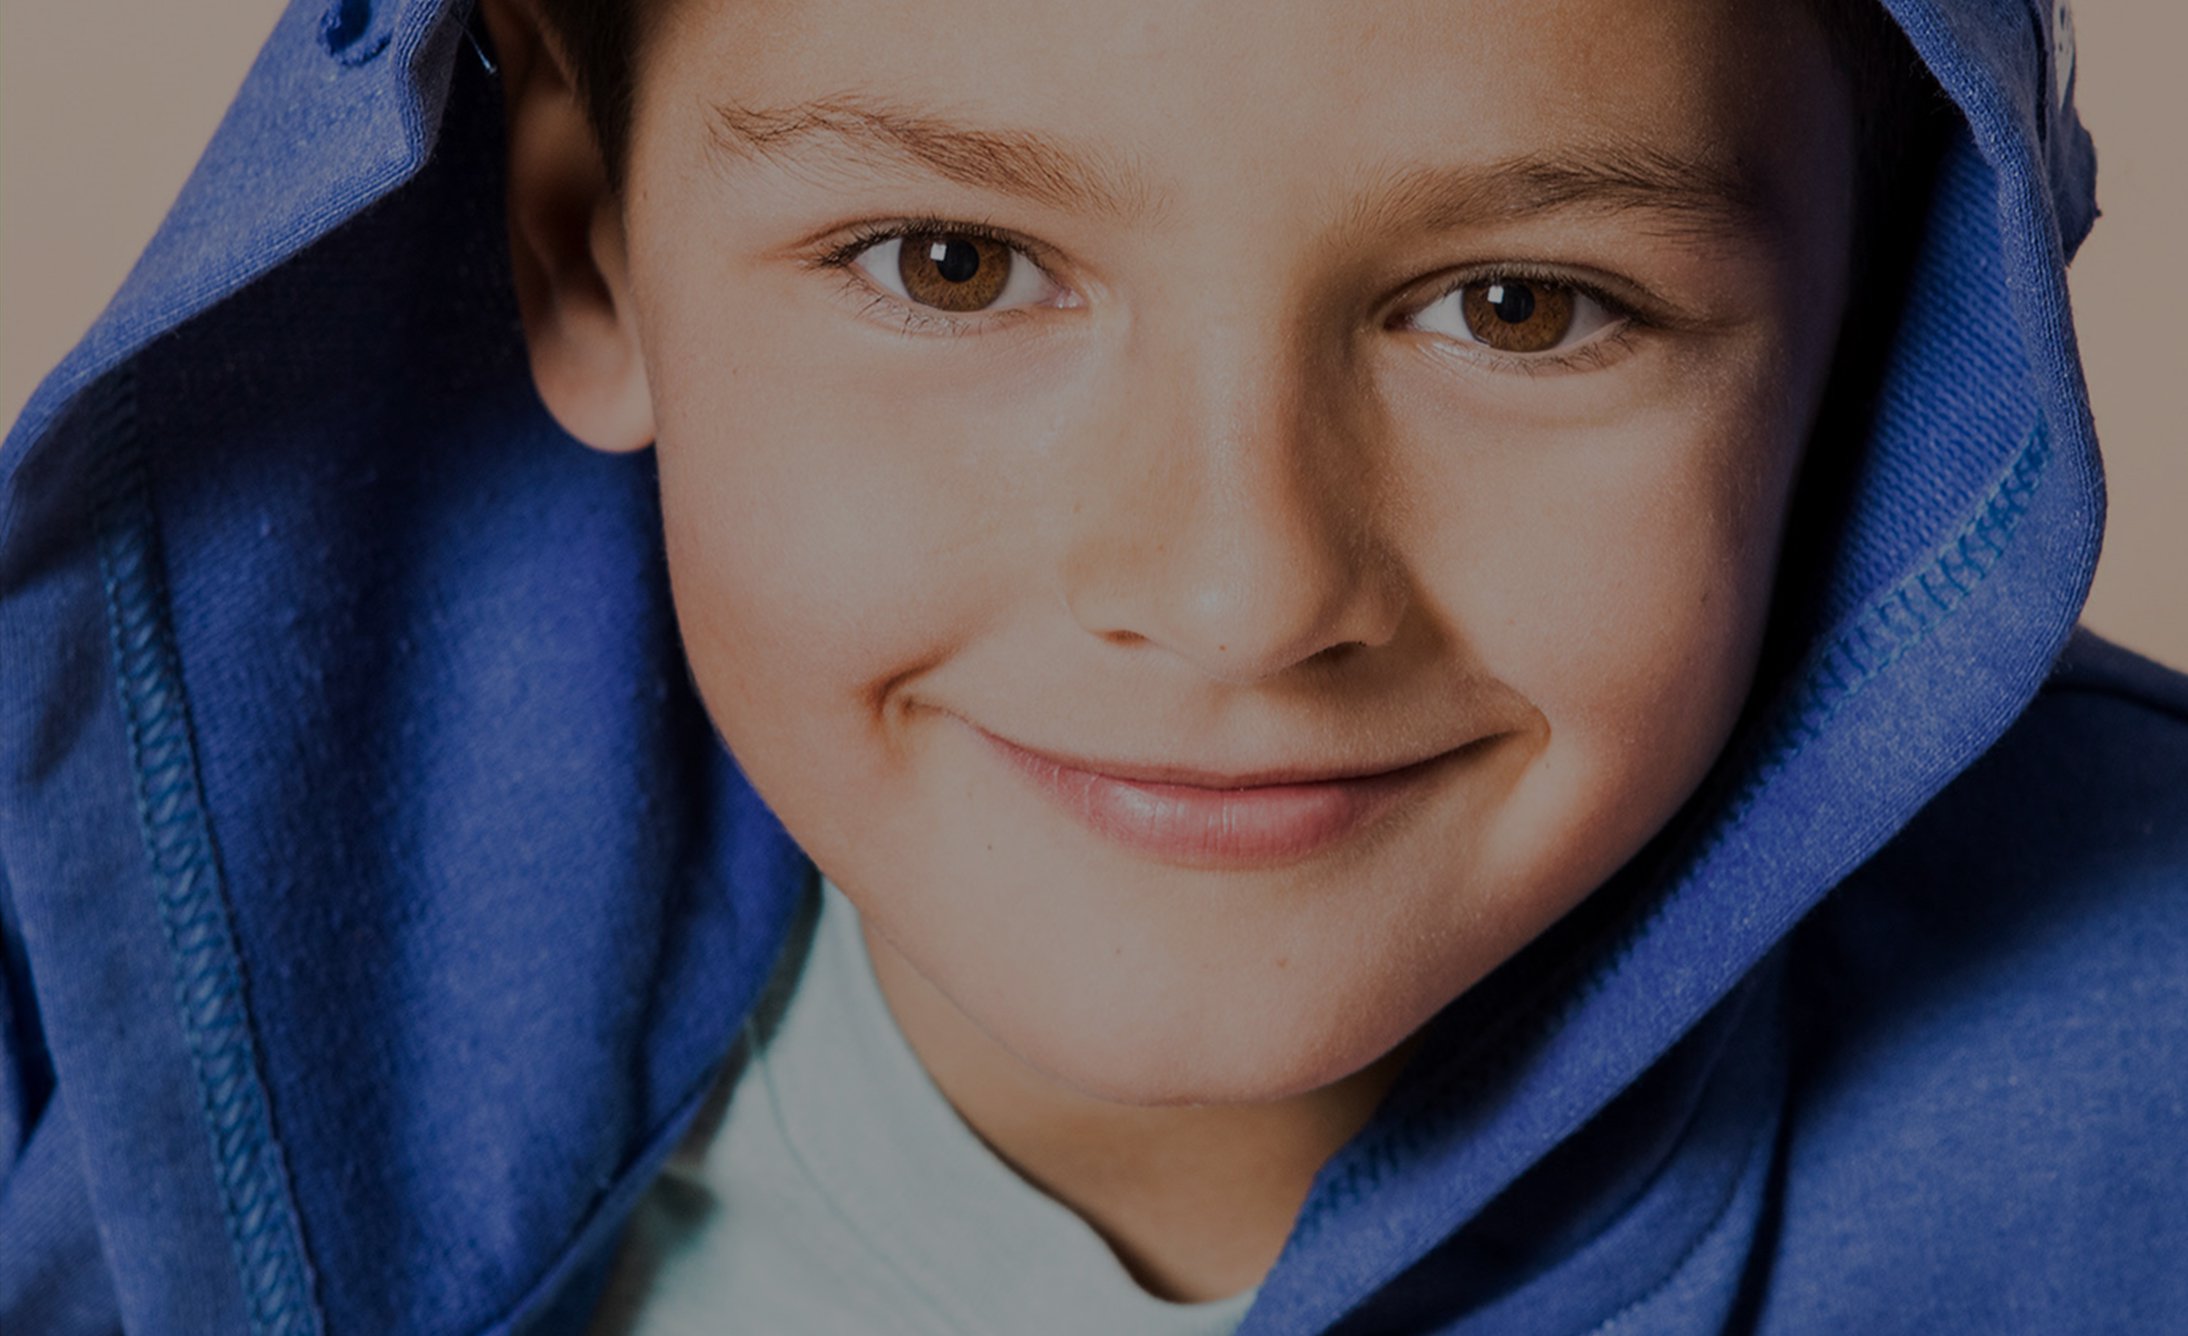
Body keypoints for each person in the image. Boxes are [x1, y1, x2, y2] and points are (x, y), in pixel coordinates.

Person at [0, 0, 2180, 1330]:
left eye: (1521, 307)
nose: (1237, 590)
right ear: (584, 239)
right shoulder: (79, 1033)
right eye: (952, 265)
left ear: (1875, 321)